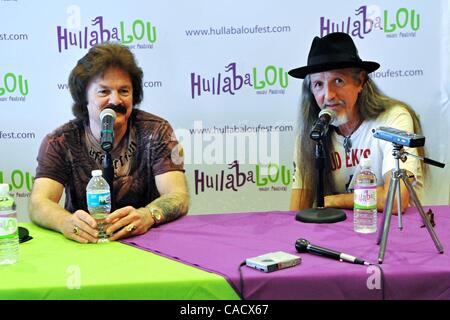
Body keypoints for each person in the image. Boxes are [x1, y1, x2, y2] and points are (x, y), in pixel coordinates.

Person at [29, 43, 189, 243]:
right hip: (86, 245)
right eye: (104, 92)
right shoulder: (61, 141)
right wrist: (64, 221)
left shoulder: (157, 131)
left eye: (124, 91)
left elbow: (178, 195)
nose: (116, 100)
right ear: (84, 97)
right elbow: (38, 203)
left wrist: (149, 215)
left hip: (147, 243)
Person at [288, 32, 424, 214]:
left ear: (360, 81)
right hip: (334, 234)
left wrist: (331, 201)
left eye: (338, 81)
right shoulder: (314, 132)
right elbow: (297, 211)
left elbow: (395, 199)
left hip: (392, 233)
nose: (328, 96)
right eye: (318, 84)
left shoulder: (394, 119)